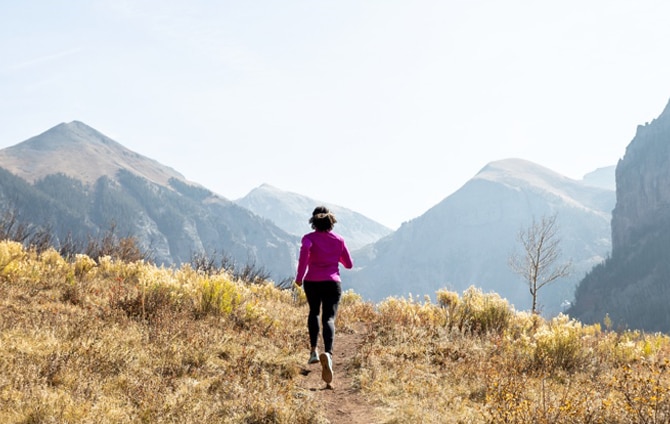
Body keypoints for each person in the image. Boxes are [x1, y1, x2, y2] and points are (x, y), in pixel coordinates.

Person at [295, 206, 353, 387]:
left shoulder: (308, 239)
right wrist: (334, 257)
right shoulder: (339, 240)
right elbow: (349, 264)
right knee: (329, 318)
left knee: (314, 313)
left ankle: (313, 351)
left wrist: (299, 278)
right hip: (332, 282)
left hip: (312, 281)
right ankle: (328, 353)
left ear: (314, 222)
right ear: (331, 222)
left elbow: (304, 257)